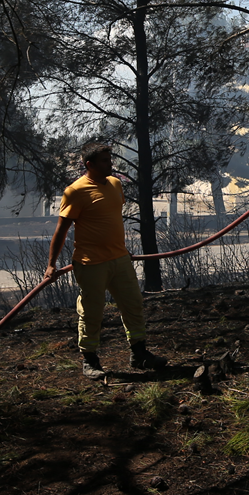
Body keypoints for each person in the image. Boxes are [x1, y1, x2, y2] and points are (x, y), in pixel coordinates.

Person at [43, 141, 167, 380]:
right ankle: (90, 360)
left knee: (133, 305)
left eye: (110, 160)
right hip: (91, 263)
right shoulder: (75, 191)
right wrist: (51, 264)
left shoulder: (115, 184)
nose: (111, 165)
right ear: (89, 164)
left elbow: (110, 221)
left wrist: (122, 249)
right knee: (92, 312)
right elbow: (61, 230)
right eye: (105, 161)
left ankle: (139, 354)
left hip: (120, 259)